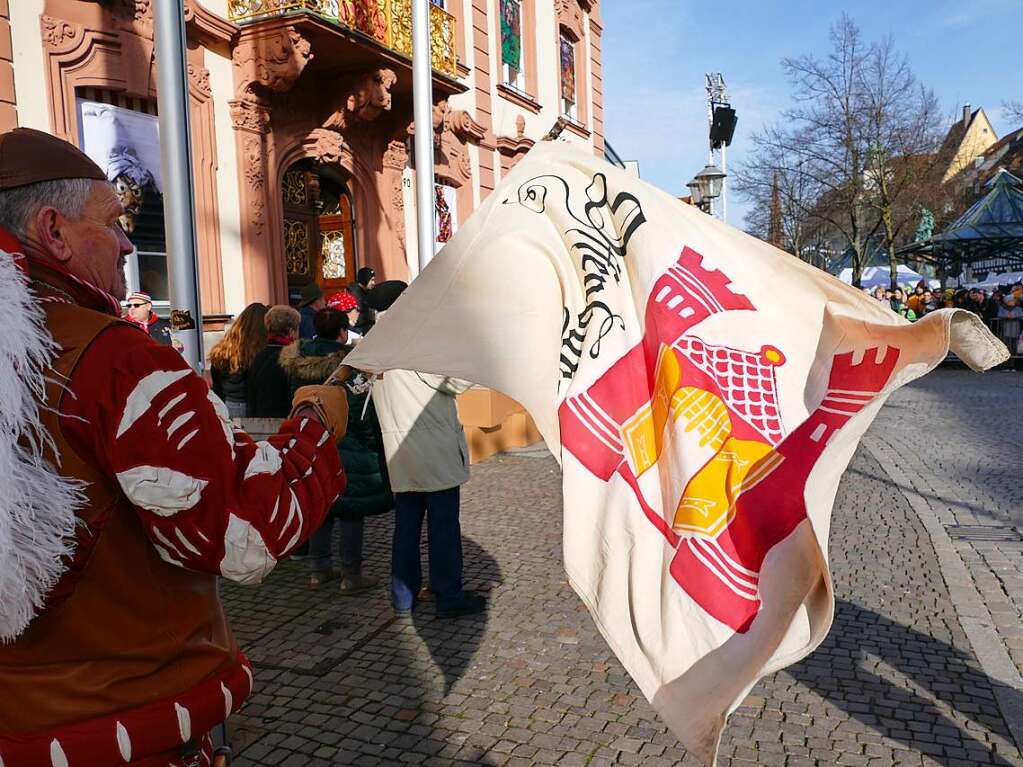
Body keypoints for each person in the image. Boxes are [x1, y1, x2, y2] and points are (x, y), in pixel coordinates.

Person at [0, 128, 348, 765]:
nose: (129, 243)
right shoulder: (112, 357)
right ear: (54, 231)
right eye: (113, 223)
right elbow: (242, 531)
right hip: (114, 724)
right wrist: (318, 427)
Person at [361, 282, 486, 618]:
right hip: (434, 450)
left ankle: (403, 596)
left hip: (400, 451)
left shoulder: (374, 345)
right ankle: (449, 597)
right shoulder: (416, 343)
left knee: (406, 528)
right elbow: (458, 381)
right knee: (443, 529)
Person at [279, 308, 393, 593]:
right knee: (351, 511)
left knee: (320, 508)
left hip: (311, 444)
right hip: (347, 446)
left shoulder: (297, 362)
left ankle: (319, 570)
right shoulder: (348, 365)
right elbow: (360, 413)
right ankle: (351, 575)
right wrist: (373, 445)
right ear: (343, 332)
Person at [207, 302, 268, 419]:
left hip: (228, 405)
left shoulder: (226, 349)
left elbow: (216, 381)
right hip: (253, 408)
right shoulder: (261, 351)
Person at [246, 305, 301, 418]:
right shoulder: (292, 357)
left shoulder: (259, 356)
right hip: (286, 419)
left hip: (260, 418)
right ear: (291, 332)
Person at [349, 266, 377, 335]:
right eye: (372, 280)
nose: (374, 283)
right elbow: (357, 319)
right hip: (358, 330)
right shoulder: (355, 293)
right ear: (365, 279)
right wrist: (373, 316)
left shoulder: (367, 291)